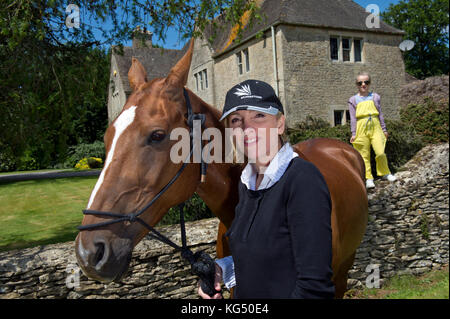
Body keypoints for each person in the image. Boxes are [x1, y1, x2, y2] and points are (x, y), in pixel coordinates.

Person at [198, 79, 335, 299]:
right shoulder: (247, 184)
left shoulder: (302, 180)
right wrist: (221, 270)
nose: (247, 129)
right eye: (236, 120)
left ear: (280, 124)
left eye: (259, 116)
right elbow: (270, 257)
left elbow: (314, 288)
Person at [348, 72, 397, 189]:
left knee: (380, 152)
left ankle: (385, 173)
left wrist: (384, 129)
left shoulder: (375, 97)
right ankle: (369, 178)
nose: (363, 85)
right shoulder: (353, 100)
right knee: (363, 155)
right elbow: (353, 118)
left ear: (369, 83)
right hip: (361, 126)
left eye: (366, 82)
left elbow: (380, 114)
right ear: (357, 84)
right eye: (360, 83)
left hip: (375, 125)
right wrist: (354, 133)